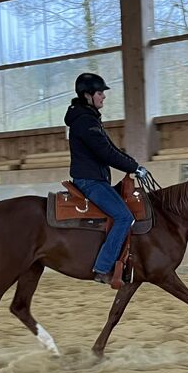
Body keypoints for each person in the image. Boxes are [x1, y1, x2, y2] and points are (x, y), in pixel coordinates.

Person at [64, 72, 148, 285]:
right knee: (123, 217)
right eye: (100, 93)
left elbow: (111, 148)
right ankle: (103, 268)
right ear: (87, 95)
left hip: (95, 179)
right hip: (90, 181)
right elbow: (106, 153)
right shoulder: (85, 121)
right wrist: (134, 168)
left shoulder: (89, 118)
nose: (104, 97)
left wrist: (133, 165)